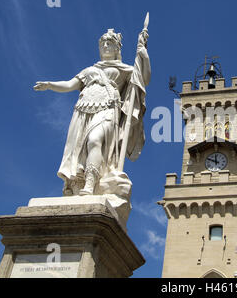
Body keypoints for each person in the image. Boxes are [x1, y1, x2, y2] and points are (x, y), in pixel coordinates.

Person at [34, 28, 151, 197]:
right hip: (84, 109)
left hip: (109, 107)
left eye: (109, 43)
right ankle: (79, 184)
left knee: (95, 140)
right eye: (102, 43)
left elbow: (143, 79)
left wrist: (144, 55)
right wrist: (50, 85)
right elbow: (69, 85)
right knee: (81, 148)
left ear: (117, 48)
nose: (105, 46)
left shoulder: (125, 69)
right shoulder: (89, 70)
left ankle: (90, 183)